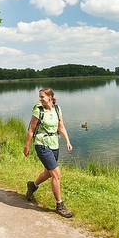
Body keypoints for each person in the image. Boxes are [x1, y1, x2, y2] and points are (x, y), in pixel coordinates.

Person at [23, 87, 74, 218]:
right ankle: (60, 205)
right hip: (41, 144)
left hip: (54, 143)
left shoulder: (57, 109)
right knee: (56, 173)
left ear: (50, 97)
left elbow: (61, 127)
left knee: (48, 172)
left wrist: (67, 141)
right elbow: (31, 130)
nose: (40, 99)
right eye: (39, 97)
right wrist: (27, 146)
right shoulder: (38, 110)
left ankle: (32, 186)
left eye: (42, 97)